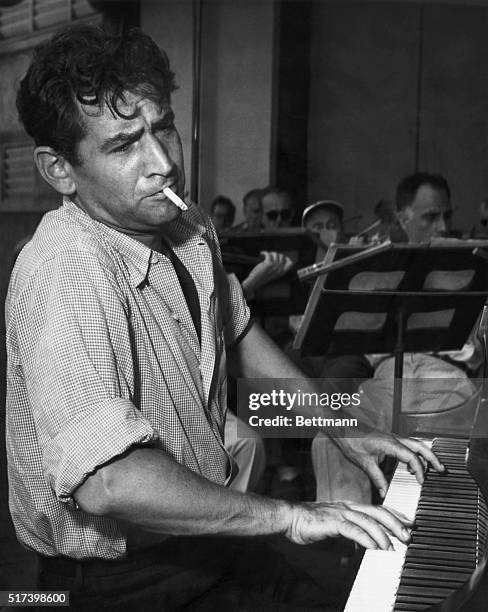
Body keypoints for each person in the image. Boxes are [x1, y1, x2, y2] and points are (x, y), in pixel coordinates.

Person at [6, 25, 443, 611]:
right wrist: (289, 515)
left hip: (207, 537)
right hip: (123, 579)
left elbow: (242, 338)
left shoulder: (187, 228)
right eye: (122, 146)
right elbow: (110, 483)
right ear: (60, 170)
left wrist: (343, 423)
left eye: (162, 127)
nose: (161, 162)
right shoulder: (62, 273)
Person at [312, 172, 477, 504]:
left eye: (447, 215)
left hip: (446, 376)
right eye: (431, 216)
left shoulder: (471, 266)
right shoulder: (377, 266)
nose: (443, 226)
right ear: (403, 216)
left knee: (439, 440)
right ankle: (353, 538)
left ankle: (430, 539)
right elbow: (347, 333)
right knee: (330, 440)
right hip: (389, 375)